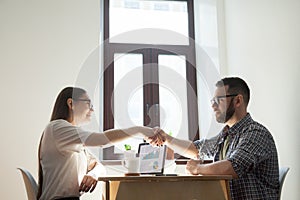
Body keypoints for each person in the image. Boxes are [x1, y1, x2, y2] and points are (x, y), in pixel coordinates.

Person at [148, 77, 279, 200]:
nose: (213, 106)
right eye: (213, 101)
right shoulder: (227, 134)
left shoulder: (256, 133)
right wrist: (167, 139)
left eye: (219, 100)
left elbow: (232, 167)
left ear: (238, 101)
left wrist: (198, 168)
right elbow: (196, 150)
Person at [38, 87, 154, 200]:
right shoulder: (57, 128)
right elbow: (102, 140)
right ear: (71, 103)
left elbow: (98, 166)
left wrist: (93, 175)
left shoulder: (73, 141)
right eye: (88, 104)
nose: (92, 110)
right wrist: (138, 130)